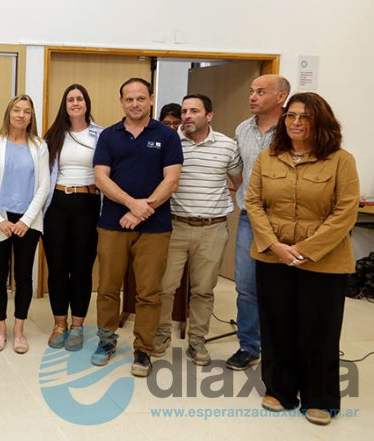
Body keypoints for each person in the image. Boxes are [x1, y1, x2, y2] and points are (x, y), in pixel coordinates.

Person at [245, 92, 358, 426]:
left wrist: (307, 248)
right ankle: (279, 389)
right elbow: (254, 203)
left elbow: (346, 210)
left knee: (318, 328)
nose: (295, 123)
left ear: (319, 121)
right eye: (290, 116)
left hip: (324, 260)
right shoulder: (268, 158)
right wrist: (275, 245)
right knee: (277, 324)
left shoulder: (341, 160)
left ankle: (320, 397)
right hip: (273, 256)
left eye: (304, 117)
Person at [91, 78, 182, 377]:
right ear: (121, 102)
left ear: (151, 99)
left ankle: (143, 350)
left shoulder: (167, 136)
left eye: (140, 98)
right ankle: (106, 342)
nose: (135, 104)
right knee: (107, 289)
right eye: (129, 99)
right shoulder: (108, 136)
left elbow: (171, 180)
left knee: (149, 292)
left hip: (154, 227)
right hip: (113, 225)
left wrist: (143, 210)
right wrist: (132, 204)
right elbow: (101, 178)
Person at [153, 94, 242, 365]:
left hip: (212, 228)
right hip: (175, 224)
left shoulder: (227, 146)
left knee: (203, 289)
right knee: (165, 286)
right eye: (184, 111)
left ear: (209, 115)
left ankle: (197, 341)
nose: (188, 116)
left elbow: (238, 181)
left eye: (194, 111)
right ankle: (161, 334)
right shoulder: (169, 142)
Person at [0, 94, 49, 354]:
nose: (21, 115)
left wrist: (27, 220)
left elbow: (43, 186)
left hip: (28, 222)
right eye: (16, 110)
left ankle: (19, 331)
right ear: (9, 114)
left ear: (32, 117)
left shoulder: (39, 145)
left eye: (27, 111)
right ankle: (0, 329)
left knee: (23, 276)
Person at [228, 74, 290, 371]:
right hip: (249, 219)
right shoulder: (242, 129)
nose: (252, 96)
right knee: (246, 285)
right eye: (251, 91)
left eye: (260, 92)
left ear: (280, 97)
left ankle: (282, 345)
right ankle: (249, 346)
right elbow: (238, 172)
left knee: (283, 286)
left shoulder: (294, 129)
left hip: (286, 221)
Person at [41, 84, 103, 351]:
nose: (75, 103)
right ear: (64, 105)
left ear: (86, 103)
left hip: (88, 204)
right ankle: (60, 324)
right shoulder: (53, 135)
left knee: (81, 267)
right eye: (70, 99)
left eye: (79, 99)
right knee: (57, 267)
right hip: (57, 203)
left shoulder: (102, 135)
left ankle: (78, 326)